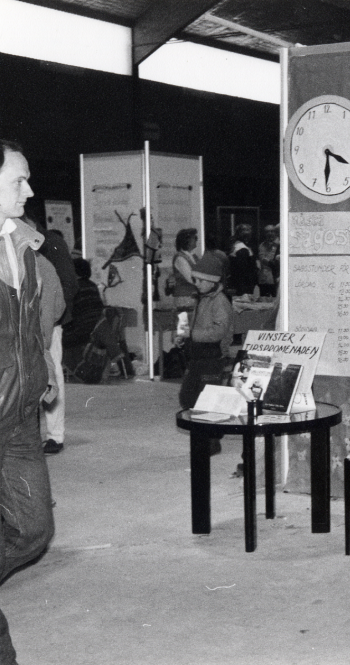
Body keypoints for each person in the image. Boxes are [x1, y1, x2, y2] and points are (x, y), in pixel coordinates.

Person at [0, 138, 56, 664]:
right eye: (19, 180)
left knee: (33, 527)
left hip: (17, 418)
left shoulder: (24, 245)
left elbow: (32, 325)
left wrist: (42, 372)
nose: (30, 190)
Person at [23, 212, 76, 455]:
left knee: (52, 376)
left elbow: (68, 285)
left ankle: (55, 435)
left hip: (50, 323)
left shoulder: (51, 244)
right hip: (36, 322)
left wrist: (50, 319)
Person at [178, 251, 233, 454]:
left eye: (201, 280)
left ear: (213, 282)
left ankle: (210, 440)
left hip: (213, 358)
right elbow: (194, 325)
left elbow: (219, 331)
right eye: (196, 280)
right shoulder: (202, 298)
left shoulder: (220, 302)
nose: (197, 284)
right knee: (188, 396)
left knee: (207, 400)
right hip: (198, 357)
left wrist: (193, 334)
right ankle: (205, 436)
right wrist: (183, 336)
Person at [61, 257, 105, 367]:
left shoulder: (73, 287)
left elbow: (67, 312)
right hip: (95, 329)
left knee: (57, 334)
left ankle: (65, 366)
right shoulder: (93, 286)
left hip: (80, 332)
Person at [170, 227, 199, 310]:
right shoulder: (180, 258)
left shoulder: (194, 256)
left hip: (193, 296)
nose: (196, 240)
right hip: (185, 298)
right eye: (194, 238)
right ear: (186, 241)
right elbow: (190, 278)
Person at [227, 223, 257, 297]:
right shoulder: (242, 249)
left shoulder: (236, 246)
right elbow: (242, 271)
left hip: (239, 284)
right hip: (244, 285)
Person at [257, 224, 279, 298]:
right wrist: (270, 262)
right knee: (264, 300)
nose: (270, 233)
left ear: (276, 233)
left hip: (276, 277)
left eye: (272, 231)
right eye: (267, 232)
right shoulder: (262, 245)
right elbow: (262, 259)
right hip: (265, 277)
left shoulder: (280, 244)